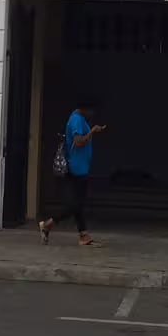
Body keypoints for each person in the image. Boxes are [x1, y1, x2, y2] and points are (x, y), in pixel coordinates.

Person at [40, 98, 105, 247]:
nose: (92, 113)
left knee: (79, 203)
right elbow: (79, 141)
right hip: (77, 168)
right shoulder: (76, 119)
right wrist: (93, 132)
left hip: (81, 167)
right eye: (91, 110)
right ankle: (48, 225)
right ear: (85, 108)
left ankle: (84, 236)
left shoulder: (79, 118)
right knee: (76, 204)